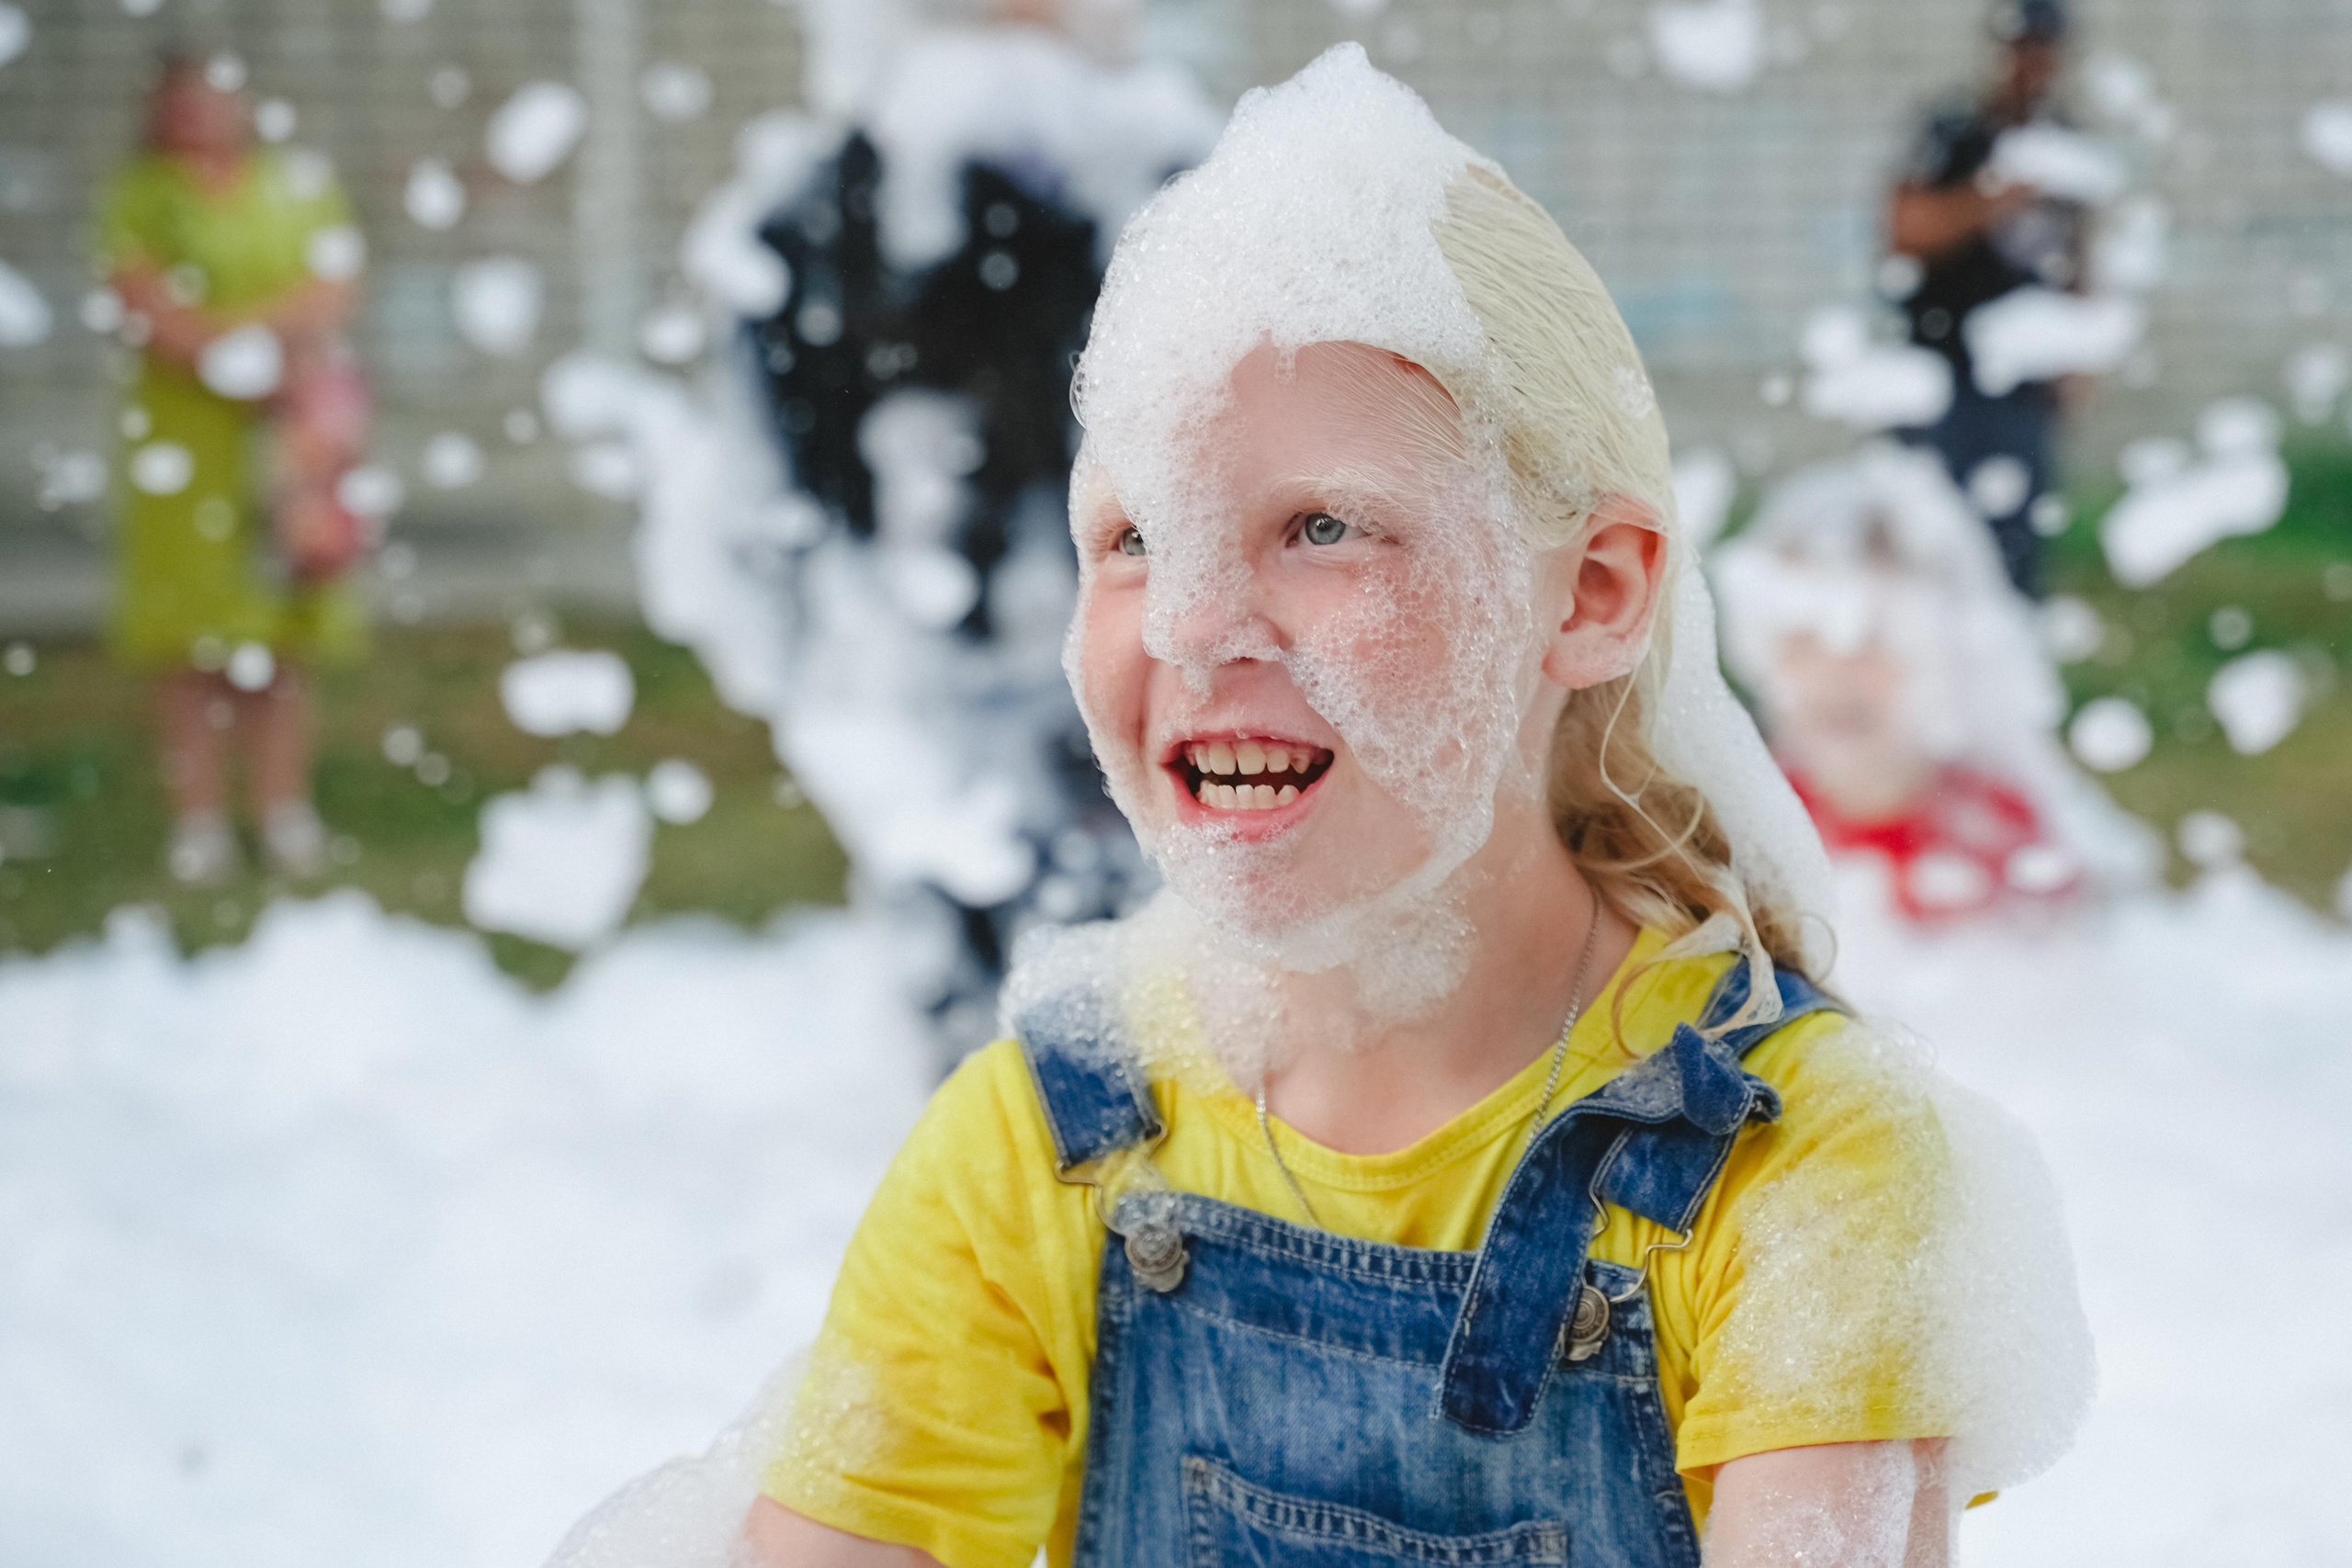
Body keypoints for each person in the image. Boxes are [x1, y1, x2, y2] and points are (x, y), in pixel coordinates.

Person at [735, 48, 2086, 1568]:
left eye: (1320, 523)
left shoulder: (1796, 1168)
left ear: (1589, 591)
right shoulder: (1041, 1150)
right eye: (1131, 536)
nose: (1190, 625)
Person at [735, 0, 1214, 1062]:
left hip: (1122, 623)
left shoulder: (1171, 175)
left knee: (1147, 948)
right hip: (953, 633)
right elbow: (784, 448)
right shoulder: (853, 198)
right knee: (991, 942)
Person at [101, 54, 367, 885]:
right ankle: (200, 822)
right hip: (187, 448)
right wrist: (256, 348)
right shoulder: (141, 197)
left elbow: (334, 290)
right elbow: (146, 310)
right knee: (190, 643)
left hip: (286, 442)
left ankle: (284, 810)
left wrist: (238, 342)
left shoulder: (294, 186)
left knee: (283, 639)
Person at [1713, 443, 2155, 924]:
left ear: (1938, 655)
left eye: (1873, 638)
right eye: (1800, 637)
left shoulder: (2001, 842)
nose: (1834, 672)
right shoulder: (1731, 835)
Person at [1886, 0, 2085, 597]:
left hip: (2024, 391)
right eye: (2023, 50)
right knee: (1925, 555)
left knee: (2014, 561)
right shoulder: (1953, 131)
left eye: (2045, 52)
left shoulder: (2068, 142)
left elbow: (2082, 251)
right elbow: (1905, 228)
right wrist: (1991, 199)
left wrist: (2082, 353)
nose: (2033, 67)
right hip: (1939, 376)